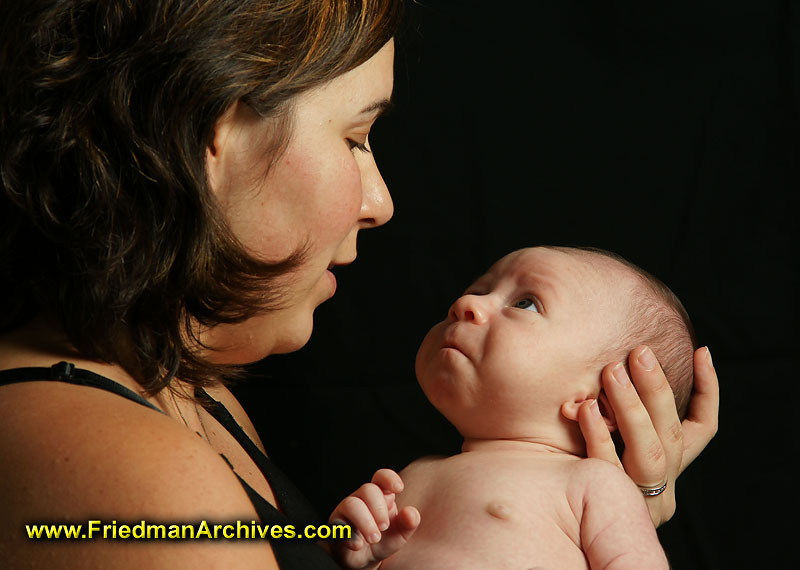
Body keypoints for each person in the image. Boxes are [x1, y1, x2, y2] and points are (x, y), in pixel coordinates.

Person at [0, 1, 718, 569]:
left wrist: (601, 516)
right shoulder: (136, 476)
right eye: (354, 138)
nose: (381, 201)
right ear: (215, 134)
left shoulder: (189, 391)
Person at [330, 246, 699, 570]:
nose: (465, 305)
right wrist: (356, 551)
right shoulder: (413, 474)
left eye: (525, 303)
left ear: (601, 402)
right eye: (477, 289)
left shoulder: (596, 486)